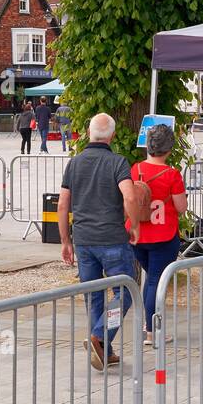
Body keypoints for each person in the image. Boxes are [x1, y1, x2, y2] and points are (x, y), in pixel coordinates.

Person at [59, 113, 137, 370]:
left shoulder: (75, 163)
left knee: (93, 297)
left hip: (83, 240)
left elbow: (62, 204)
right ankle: (100, 335)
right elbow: (130, 196)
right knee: (125, 293)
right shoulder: (117, 162)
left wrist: (65, 241)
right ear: (112, 136)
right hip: (112, 238)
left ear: (89, 133)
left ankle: (103, 350)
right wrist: (134, 224)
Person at [128, 124, 186, 348]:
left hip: (138, 233)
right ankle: (152, 331)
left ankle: (147, 325)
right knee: (154, 281)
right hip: (164, 235)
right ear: (169, 148)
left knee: (150, 278)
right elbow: (181, 207)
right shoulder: (172, 174)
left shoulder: (136, 169)